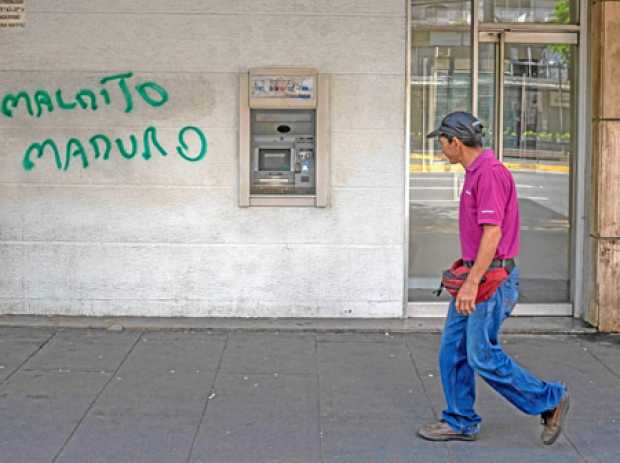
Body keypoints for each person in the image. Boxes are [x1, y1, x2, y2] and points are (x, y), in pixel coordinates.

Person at [416, 111, 570, 445]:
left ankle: (550, 399)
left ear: (455, 142)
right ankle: (460, 420)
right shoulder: (474, 172)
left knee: (481, 354)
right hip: (476, 275)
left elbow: (492, 233)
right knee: (452, 352)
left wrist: (472, 282)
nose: (440, 149)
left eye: (441, 142)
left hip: (490, 281)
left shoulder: (488, 174)